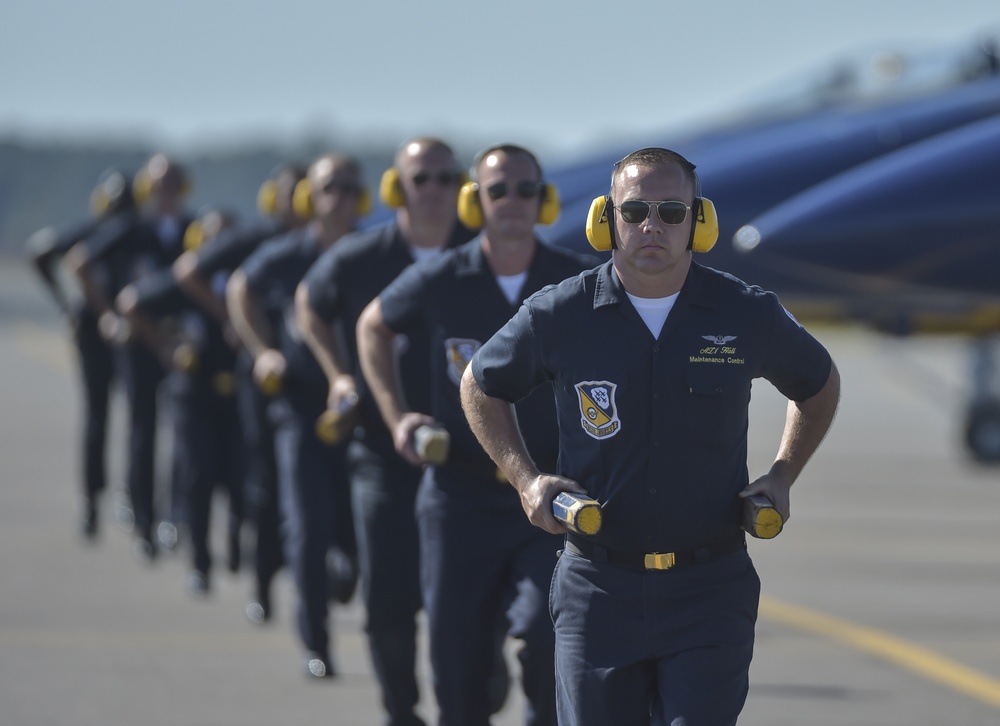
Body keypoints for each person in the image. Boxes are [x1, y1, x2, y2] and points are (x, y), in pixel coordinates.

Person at [460, 147, 841, 726]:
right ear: (604, 220)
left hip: (710, 591)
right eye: (634, 210)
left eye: (670, 211)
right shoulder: (559, 314)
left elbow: (818, 383)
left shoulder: (743, 312)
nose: (651, 226)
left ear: (699, 221)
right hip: (598, 591)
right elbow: (480, 385)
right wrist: (525, 478)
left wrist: (785, 472)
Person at [356, 143, 596, 726]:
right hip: (458, 496)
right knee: (456, 663)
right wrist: (397, 417)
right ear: (474, 200)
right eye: (498, 190)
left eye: (526, 191)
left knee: (550, 636)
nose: (513, 201)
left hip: (549, 496)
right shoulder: (440, 277)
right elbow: (373, 327)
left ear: (544, 201)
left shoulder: (576, 282)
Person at [297, 137, 473, 725]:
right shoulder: (360, 257)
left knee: (475, 600)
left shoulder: (481, 258)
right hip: (382, 450)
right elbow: (309, 302)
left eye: (446, 179)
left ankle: (479, 686)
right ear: (398, 188)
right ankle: (402, 711)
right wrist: (338, 374)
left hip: (471, 456)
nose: (434, 191)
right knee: (389, 602)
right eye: (421, 179)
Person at [226, 152, 364, 678]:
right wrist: (261, 349)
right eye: (330, 188)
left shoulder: (370, 254)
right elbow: (241, 289)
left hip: (361, 412)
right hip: (299, 404)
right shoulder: (285, 255)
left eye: (351, 188)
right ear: (310, 196)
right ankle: (317, 644)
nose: (341, 199)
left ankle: (345, 574)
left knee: (356, 530)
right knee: (307, 524)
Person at [174, 164, 307, 620]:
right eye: (294, 191)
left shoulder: (329, 248)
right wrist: (233, 321)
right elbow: (189, 272)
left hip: (313, 381)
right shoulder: (254, 241)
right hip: (260, 380)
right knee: (260, 480)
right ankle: (258, 580)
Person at [66, 154, 194, 562]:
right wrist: (106, 314)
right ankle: (143, 521)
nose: (166, 190)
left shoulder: (193, 230)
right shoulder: (131, 230)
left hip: (182, 347)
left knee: (185, 434)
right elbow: (79, 262)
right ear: (148, 189)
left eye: (173, 182)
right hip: (139, 345)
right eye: (159, 184)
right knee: (142, 430)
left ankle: (176, 517)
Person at [118, 207, 245, 597]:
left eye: (227, 238)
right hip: (194, 392)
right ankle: (201, 561)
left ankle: (240, 549)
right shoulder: (182, 284)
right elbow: (131, 303)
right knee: (198, 475)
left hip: (240, 395)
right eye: (211, 238)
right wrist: (165, 347)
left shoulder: (248, 284)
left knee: (242, 480)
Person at [24, 169, 129, 539]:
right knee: (101, 417)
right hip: (96, 334)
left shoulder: (133, 235)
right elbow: (39, 252)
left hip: (131, 334)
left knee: (133, 419)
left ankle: (125, 496)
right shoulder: (91, 233)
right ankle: (93, 500)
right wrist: (67, 304)